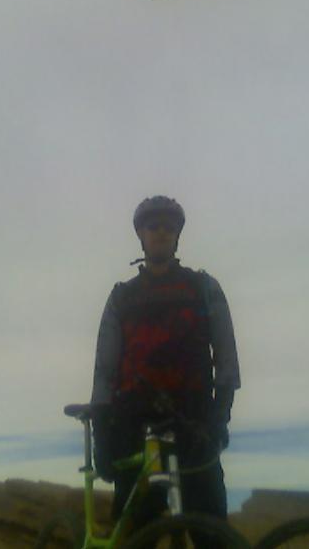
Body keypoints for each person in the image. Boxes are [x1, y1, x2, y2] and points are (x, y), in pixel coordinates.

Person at [90, 195, 240, 530]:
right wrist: (103, 433)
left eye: (168, 227)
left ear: (177, 235)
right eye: (152, 226)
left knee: (210, 530)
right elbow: (105, 368)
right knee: (135, 532)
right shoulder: (121, 297)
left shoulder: (203, 288)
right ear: (140, 235)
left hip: (193, 423)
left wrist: (221, 414)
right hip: (135, 426)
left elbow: (227, 357)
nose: (161, 232)